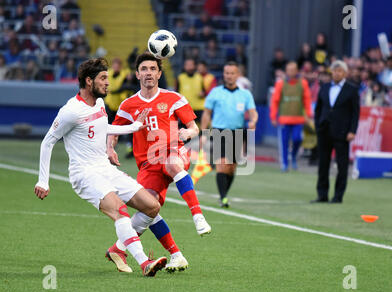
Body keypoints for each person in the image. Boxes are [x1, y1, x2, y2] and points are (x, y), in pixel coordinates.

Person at [33, 58, 167, 276]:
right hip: (84, 174)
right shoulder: (71, 111)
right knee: (120, 211)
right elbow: (47, 141)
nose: (108, 83)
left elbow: (104, 128)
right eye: (103, 78)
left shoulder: (100, 103)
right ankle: (144, 263)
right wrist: (43, 180)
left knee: (152, 206)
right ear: (89, 81)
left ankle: (117, 249)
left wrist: (134, 127)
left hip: (105, 169)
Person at [106, 52, 212, 273]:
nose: (148, 73)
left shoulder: (173, 98)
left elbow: (194, 127)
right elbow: (114, 131)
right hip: (147, 164)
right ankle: (175, 255)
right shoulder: (129, 104)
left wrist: (187, 133)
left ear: (159, 73)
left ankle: (198, 216)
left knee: (172, 163)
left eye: (153, 69)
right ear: (137, 74)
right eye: (144, 69)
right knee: (149, 208)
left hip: (173, 151)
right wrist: (109, 148)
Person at [200, 61, 258, 208]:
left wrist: (253, 122)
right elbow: (207, 113)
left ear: (237, 75)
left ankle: (224, 195)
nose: (229, 76)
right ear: (224, 75)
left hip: (238, 132)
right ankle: (223, 197)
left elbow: (253, 113)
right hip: (220, 132)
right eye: (227, 73)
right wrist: (204, 133)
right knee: (222, 164)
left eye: (232, 73)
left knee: (231, 168)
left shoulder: (245, 94)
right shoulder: (216, 92)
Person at [311, 60, 360, 204]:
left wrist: (352, 130)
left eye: (339, 71)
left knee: (342, 165)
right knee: (323, 164)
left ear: (345, 73)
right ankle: (322, 194)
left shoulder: (351, 89)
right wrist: (317, 124)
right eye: (334, 71)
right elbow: (318, 108)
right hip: (324, 130)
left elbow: (355, 113)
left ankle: (338, 196)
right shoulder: (325, 87)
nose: (336, 73)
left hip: (342, 132)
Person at [270, 61, 313, 171]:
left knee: (297, 139)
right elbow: (275, 101)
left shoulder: (303, 83)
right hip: (284, 118)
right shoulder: (280, 83)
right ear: (286, 71)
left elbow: (307, 100)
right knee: (283, 142)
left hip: (298, 118)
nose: (291, 72)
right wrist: (273, 117)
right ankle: (284, 164)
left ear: (297, 71)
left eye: (293, 70)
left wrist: (308, 114)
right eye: (289, 70)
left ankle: (293, 156)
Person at [176, 58, 205, 123]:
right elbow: (176, 94)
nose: (189, 67)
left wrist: (202, 94)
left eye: (191, 65)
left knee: (204, 129)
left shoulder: (199, 77)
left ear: (194, 66)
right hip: (185, 109)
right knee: (186, 130)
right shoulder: (180, 78)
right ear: (184, 66)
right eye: (187, 65)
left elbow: (204, 92)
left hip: (199, 108)